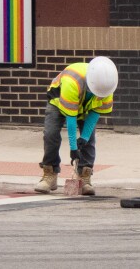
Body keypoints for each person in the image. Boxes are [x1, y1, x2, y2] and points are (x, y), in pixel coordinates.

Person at [35, 56, 118, 196]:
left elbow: (95, 113)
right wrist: (73, 148)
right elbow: (71, 118)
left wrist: (84, 137)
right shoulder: (72, 81)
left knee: (90, 139)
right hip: (58, 101)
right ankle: (50, 174)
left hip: (85, 107)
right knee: (51, 134)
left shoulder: (107, 86)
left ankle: (85, 176)